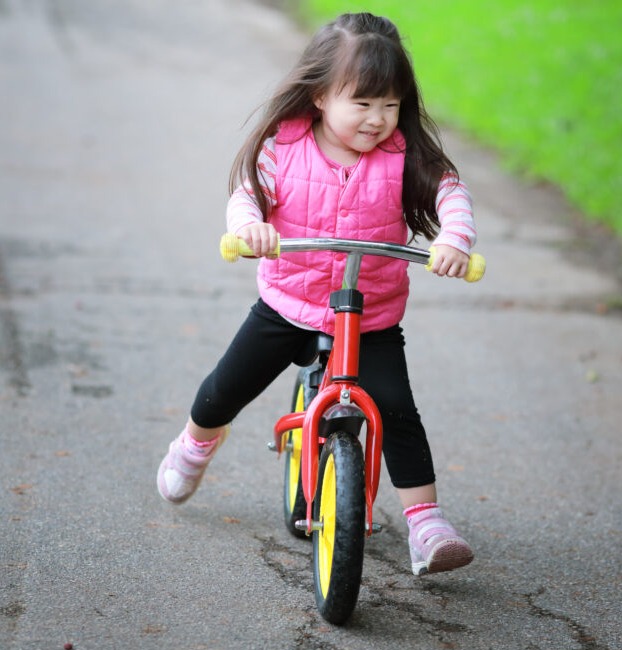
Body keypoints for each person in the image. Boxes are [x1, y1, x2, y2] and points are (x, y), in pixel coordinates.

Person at [157, 12, 476, 576]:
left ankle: (426, 524)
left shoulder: (406, 157)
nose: (378, 120)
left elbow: (450, 192)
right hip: (289, 301)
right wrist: (251, 226)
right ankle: (196, 444)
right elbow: (248, 193)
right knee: (225, 388)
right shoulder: (286, 147)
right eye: (363, 104)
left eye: (391, 105)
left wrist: (453, 236)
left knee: (396, 410)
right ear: (321, 96)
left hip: (370, 312)